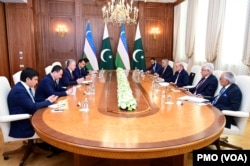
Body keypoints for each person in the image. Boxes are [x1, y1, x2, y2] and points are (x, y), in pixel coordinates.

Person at [7, 68, 58, 138]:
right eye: (35, 79)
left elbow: (31, 102)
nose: (37, 82)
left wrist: (46, 100)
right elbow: (32, 106)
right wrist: (48, 101)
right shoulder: (18, 91)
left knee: (52, 117)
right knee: (52, 122)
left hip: (29, 117)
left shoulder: (24, 87)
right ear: (27, 79)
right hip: (23, 125)